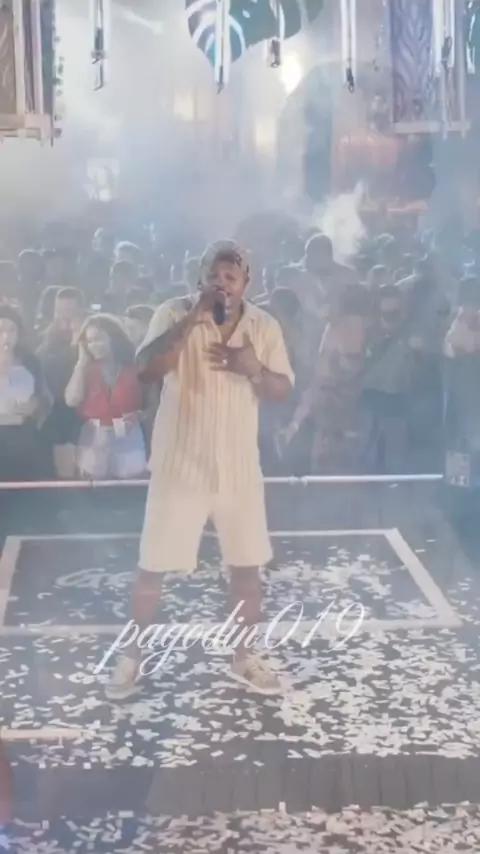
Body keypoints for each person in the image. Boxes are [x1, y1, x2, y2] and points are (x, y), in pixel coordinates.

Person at [105, 240, 294, 700]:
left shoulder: (264, 326)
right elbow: (146, 370)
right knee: (152, 566)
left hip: (238, 469)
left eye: (231, 277)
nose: (221, 283)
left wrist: (252, 368)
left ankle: (244, 657)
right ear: (199, 277)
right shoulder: (172, 313)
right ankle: (131, 656)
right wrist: (193, 318)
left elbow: (282, 389)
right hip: (180, 466)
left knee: (246, 567)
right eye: (214, 274)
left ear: (247, 283)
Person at [65, 314, 147, 479]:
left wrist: (140, 416)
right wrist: (81, 363)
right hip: (95, 436)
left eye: (99, 339)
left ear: (113, 339)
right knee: (95, 485)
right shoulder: (85, 369)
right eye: (89, 341)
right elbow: (72, 400)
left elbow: (149, 402)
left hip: (128, 434)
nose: (94, 346)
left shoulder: (134, 367)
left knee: (130, 485)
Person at [37, 288, 85, 478]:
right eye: (59, 311)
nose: (64, 318)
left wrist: (77, 340)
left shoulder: (93, 337)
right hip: (56, 414)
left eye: (69, 311)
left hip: (86, 413)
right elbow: (44, 367)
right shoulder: (46, 340)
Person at [0, 304, 51, 481]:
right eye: (1, 330)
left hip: (23, 436)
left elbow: (44, 396)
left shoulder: (30, 361)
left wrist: (35, 404)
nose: (6, 336)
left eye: (11, 330)